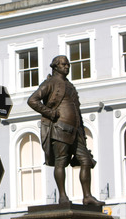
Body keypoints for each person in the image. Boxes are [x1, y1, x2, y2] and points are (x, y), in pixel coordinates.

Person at [27, 55, 104, 206]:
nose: (66, 67)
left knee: (86, 160)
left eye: (68, 64)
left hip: (75, 131)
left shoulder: (69, 85)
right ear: (55, 66)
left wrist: (82, 132)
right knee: (60, 162)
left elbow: (76, 109)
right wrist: (49, 112)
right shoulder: (50, 83)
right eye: (63, 64)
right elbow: (32, 100)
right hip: (60, 129)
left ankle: (87, 196)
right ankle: (63, 196)